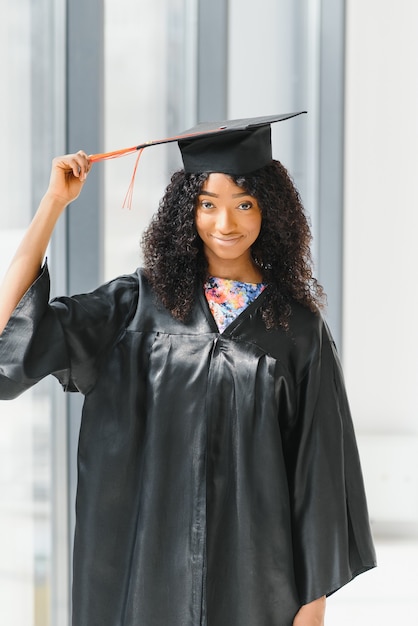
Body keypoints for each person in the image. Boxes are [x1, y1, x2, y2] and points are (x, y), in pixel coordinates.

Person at [0, 113, 376, 626]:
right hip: (146, 575)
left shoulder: (296, 331)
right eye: (208, 205)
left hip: (255, 582)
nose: (227, 224)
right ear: (186, 212)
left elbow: (319, 475)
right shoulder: (133, 308)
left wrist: (312, 610)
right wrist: (52, 205)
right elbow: (15, 339)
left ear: (272, 212)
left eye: (244, 204)